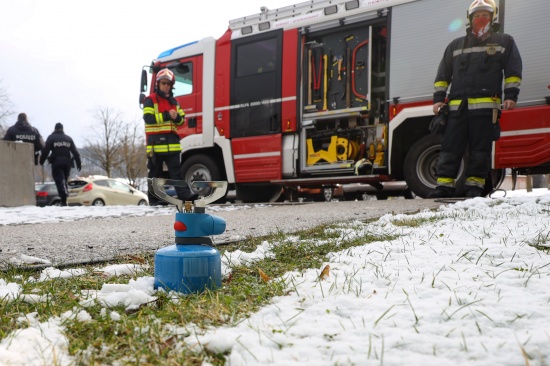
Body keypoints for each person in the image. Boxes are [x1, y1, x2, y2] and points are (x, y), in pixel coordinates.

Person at [428, 0, 522, 198]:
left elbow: (513, 71)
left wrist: (511, 96)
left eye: (485, 15)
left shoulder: (504, 41)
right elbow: (443, 75)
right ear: (470, 19)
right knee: (450, 149)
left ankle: (474, 188)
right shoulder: (455, 45)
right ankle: (443, 187)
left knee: (480, 150)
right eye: (477, 15)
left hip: (486, 109)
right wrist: (438, 99)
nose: (481, 18)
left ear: (492, 17)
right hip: (457, 109)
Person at [143, 68, 197, 204]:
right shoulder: (150, 100)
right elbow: (148, 118)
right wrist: (168, 115)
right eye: (163, 83)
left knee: (176, 172)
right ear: (158, 84)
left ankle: (185, 196)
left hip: (172, 144)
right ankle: (154, 200)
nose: (166, 86)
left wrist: (177, 116)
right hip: (156, 145)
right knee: (155, 173)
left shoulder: (175, 102)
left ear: (171, 85)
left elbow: (181, 121)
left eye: (168, 84)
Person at [40, 123, 81, 206]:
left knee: (59, 180)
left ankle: (64, 199)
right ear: (62, 129)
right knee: (64, 180)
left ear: (55, 129)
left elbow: (45, 151)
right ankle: (64, 198)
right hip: (67, 163)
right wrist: (79, 163)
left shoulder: (51, 138)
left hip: (56, 162)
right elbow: (76, 153)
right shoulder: (68, 138)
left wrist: (41, 161)